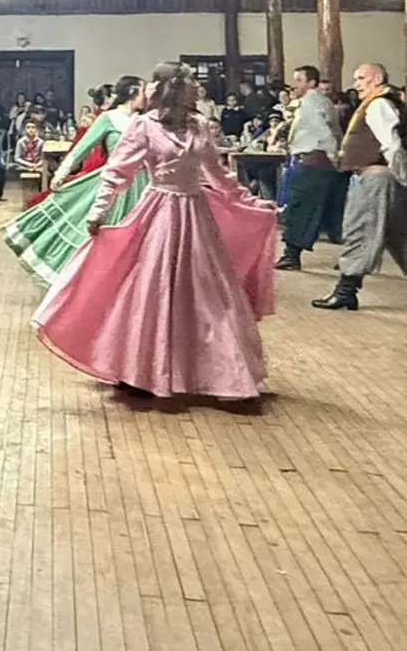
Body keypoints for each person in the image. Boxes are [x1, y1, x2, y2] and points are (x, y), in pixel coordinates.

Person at [33, 62, 277, 401]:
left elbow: (217, 174)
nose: (196, 89)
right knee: (153, 289)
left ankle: (218, 373)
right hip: (159, 210)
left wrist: (250, 202)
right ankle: (140, 368)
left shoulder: (200, 126)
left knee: (206, 293)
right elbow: (118, 172)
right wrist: (97, 212)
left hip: (196, 214)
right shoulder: (144, 126)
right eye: (189, 84)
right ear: (172, 90)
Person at [4, 76, 146, 284]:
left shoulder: (145, 120)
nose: (147, 98)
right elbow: (80, 150)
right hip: (114, 185)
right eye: (143, 92)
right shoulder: (110, 118)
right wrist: (60, 175)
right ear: (133, 92)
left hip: (143, 186)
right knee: (101, 233)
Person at [312, 62, 407, 311]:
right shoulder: (380, 102)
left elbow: (392, 145)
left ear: (376, 79)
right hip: (379, 177)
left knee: (362, 231)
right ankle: (346, 290)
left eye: (361, 78)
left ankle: (346, 290)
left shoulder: (379, 104)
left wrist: (403, 177)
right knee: (398, 236)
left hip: (377, 178)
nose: (356, 84)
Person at [276, 65, 347, 272]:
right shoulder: (321, 102)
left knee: (300, 208)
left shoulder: (311, 103)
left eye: (299, 80)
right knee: (330, 211)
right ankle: (348, 257)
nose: (294, 84)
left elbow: (325, 133)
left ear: (311, 83)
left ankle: (291, 255)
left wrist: (334, 157)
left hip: (314, 161)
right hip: (319, 161)